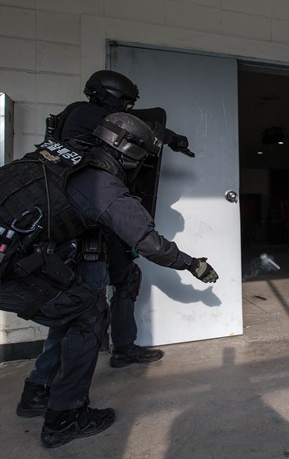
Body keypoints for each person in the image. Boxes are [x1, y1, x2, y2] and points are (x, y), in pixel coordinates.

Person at [0, 112, 218, 447]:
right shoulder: (102, 184)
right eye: (141, 158)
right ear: (129, 153)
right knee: (89, 314)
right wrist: (191, 264)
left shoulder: (62, 150)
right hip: (9, 261)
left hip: (12, 251)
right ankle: (64, 418)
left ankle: (36, 393)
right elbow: (149, 243)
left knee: (69, 308)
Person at [47, 70, 193, 368]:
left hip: (95, 221)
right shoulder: (89, 116)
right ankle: (46, 382)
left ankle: (123, 348)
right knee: (83, 307)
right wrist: (172, 138)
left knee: (125, 279)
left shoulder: (73, 115)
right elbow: (141, 128)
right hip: (89, 224)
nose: (126, 109)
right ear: (110, 95)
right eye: (124, 102)